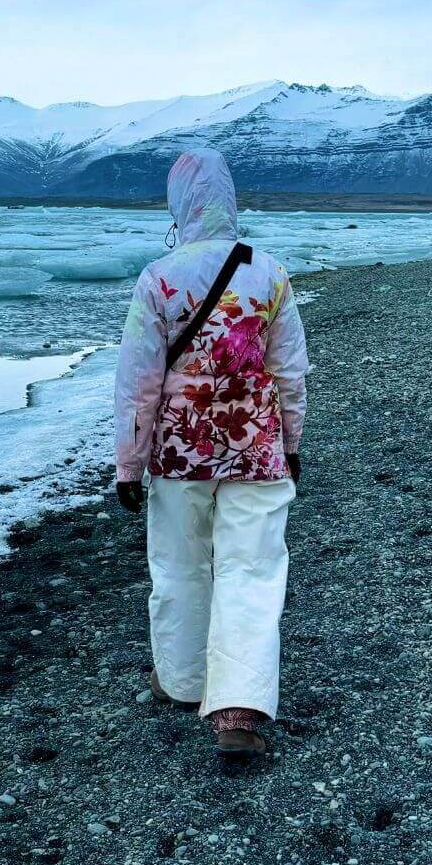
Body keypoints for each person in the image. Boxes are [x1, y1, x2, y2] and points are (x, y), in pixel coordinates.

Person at [113, 148, 308, 756]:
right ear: (229, 199)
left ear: (179, 205)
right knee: (251, 572)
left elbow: (138, 381)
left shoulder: (159, 278)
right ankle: (238, 710)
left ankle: (182, 680)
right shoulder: (268, 273)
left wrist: (128, 462)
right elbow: (290, 373)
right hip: (256, 448)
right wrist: (292, 442)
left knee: (179, 567)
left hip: (179, 452)